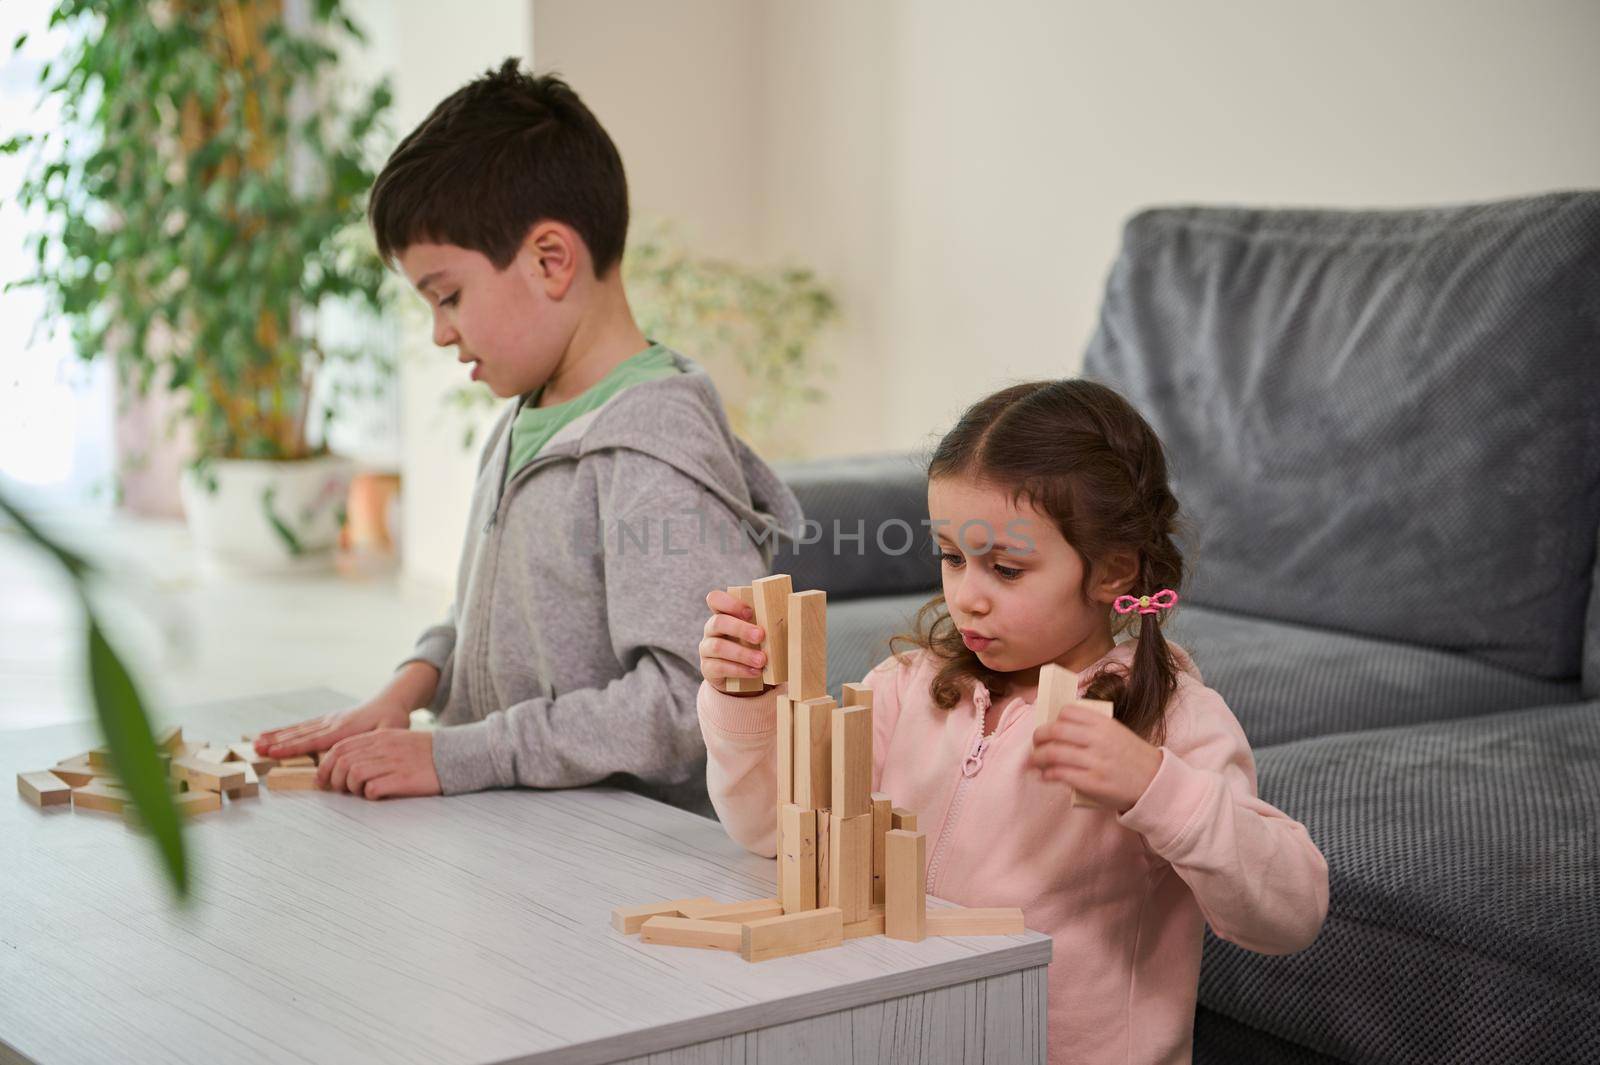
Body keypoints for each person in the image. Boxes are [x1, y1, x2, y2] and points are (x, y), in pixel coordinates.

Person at [696, 379, 1328, 1063]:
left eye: (1005, 568)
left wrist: (1158, 787)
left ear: (1112, 572)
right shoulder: (910, 689)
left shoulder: (1168, 721)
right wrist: (749, 699)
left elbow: (1288, 913)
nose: (968, 597)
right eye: (951, 557)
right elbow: (770, 831)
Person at [257, 60, 801, 815]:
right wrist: (406, 688)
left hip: (615, 862)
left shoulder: (654, 453)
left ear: (550, 259)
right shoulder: (527, 417)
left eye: (448, 296)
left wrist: (460, 753)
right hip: (513, 828)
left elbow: (685, 702)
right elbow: (483, 622)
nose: (441, 331)